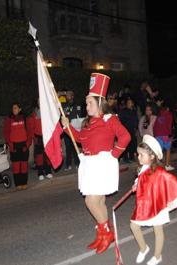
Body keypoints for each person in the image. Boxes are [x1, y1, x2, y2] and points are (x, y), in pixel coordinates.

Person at [61, 73, 131, 254]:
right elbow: (80, 139)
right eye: (86, 103)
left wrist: (112, 155)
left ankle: (106, 233)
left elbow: (125, 136)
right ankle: (104, 233)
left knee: (90, 201)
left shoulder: (110, 119)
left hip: (102, 164)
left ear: (99, 103)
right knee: (98, 201)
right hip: (90, 165)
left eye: (89, 102)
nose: (86, 106)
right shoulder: (88, 122)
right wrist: (66, 127)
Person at [130, 135, 177, 265]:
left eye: (141, 155)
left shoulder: (160, 172)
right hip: (144, 204)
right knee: (134, 226)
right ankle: (144, 248)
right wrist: (136, 185)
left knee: (157, 228)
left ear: (152, 156)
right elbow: (141, 180)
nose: (138, 157)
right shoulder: (143, 168)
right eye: (138, 154)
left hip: (157, 205)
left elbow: (171, 181)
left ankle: (157, 255)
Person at [3, 102, 31, 190]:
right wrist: (11, 145)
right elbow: (6, 133)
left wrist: (27, 144)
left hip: (24, 145)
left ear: (20, 109)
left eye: (15, 108)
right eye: (13, 108)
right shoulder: (9, 119)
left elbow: (30, 132)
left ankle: (24, 183)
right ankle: (18, 184)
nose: (14, 110)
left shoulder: (25, 118)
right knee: (16, 166)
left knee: (24, 165)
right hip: (14, 145)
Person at [29, 99, 53, 180]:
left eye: (41, 101)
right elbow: (31, 128)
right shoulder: (34, 113)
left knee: (47, 155)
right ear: (37, 103)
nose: (40, 102)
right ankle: (40, 173)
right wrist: (34, 137)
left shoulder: (47, 112)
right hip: (38, 137)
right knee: (39, 157)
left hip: (46, 136)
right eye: (39, 101)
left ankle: (48, 171)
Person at [62, 90, 82, 171]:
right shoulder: (64, 106)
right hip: (67, 130)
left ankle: (77, 163)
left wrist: (69, 113)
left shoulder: (77, 105)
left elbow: (77, 115)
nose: (67, 97)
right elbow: (64, 114)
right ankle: (68, 164)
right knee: (68, 148)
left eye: (69, 95)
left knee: (75, 147)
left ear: (72, 96)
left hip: (74, 129)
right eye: (66, 95)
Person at [153, 102, 174, 171]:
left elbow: (155, 125)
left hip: (157, 134)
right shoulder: (169, 114)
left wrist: (155, 134)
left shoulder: (158, 114)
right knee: (168, 149)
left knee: (159, 151)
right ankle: (167, 165)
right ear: (167, 108)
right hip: (165, 134)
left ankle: (157, 167)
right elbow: (169, 125)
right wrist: (170, 134)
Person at [119, 98, 138, 163]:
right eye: (128, 103)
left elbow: (136, 120)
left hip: (132, 130)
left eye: (130, 103)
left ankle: (131, 157)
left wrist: (136, 128)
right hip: (126, 130)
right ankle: (125, 158)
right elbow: (120, 120)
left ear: (132, 103)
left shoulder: (134, 111)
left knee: (133, 144)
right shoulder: (123, 111)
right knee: (126, 145)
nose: (129, 104)